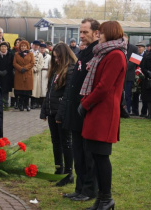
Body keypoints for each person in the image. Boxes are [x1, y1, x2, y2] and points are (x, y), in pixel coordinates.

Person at [79, 21, 127, 210]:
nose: (98, 35)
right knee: (97, 155)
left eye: (101, 32)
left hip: (104, 112)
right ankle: (102, 198)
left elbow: (104, 87)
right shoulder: (105, 53)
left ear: (110, 33)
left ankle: (107, 199)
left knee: (101, 156)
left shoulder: (115, 55)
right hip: (98, 110)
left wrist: (85, 104)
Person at [62, 18, 100, 202]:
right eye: (81, 32)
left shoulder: (97, 54)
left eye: (85, 32)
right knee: (78, 153)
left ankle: (89, 190)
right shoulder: (83, 53)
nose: (82, 35)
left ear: (96, 33)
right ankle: (79, 188)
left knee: (88, 154)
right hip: (75, 113)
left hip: (87, 113)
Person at [40, 43, 76, 186]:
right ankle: (58, 169)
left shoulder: (71, 70)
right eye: (54, 57)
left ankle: (68, 173)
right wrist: (45, 111)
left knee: (66, 142)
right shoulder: (56, 70)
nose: (56, 60)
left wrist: (60, 115)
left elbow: (67, 96)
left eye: (58, 57)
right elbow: (49, 93)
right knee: (56, 142)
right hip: (52, 111)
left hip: (61, 113)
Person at [13, 40, 35, 111]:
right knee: (20, 91)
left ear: (27, 47)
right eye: (22, 46)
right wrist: (20, 68)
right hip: (19, 74)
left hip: (27, 74)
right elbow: (14, 63)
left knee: (27, 91)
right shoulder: (16, 54)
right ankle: (21, 104)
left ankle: (27, 105)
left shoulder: (31, 54)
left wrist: (25, 68)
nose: (23, 47)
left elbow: (32, 63)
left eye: (24, 46)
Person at [140, 43, 151, 119]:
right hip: (148, 80)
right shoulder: (147, 58)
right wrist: (148, 73)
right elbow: (143, 67)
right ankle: (149, 113)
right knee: (149, 98)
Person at [123, 33, 138, 115]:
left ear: (127, 38)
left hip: (129, 75)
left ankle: (127, 110)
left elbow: (135, 61)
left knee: (128, 94)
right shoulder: (118, 48)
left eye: (124, 38)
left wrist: (123, 67)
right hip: (120, 76)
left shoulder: (134, 48)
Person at [30, 40, 44, 109]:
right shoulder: (29, 52)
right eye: (35, 45)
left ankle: (33, 103)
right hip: (28, 73)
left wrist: (36, 69)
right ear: (32, 45)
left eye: (37, 46)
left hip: (35, 73)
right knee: (28, 88)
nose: (36, 47)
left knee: (35, 89)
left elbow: (41, 64)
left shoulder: (40, 54)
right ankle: (26, 103)